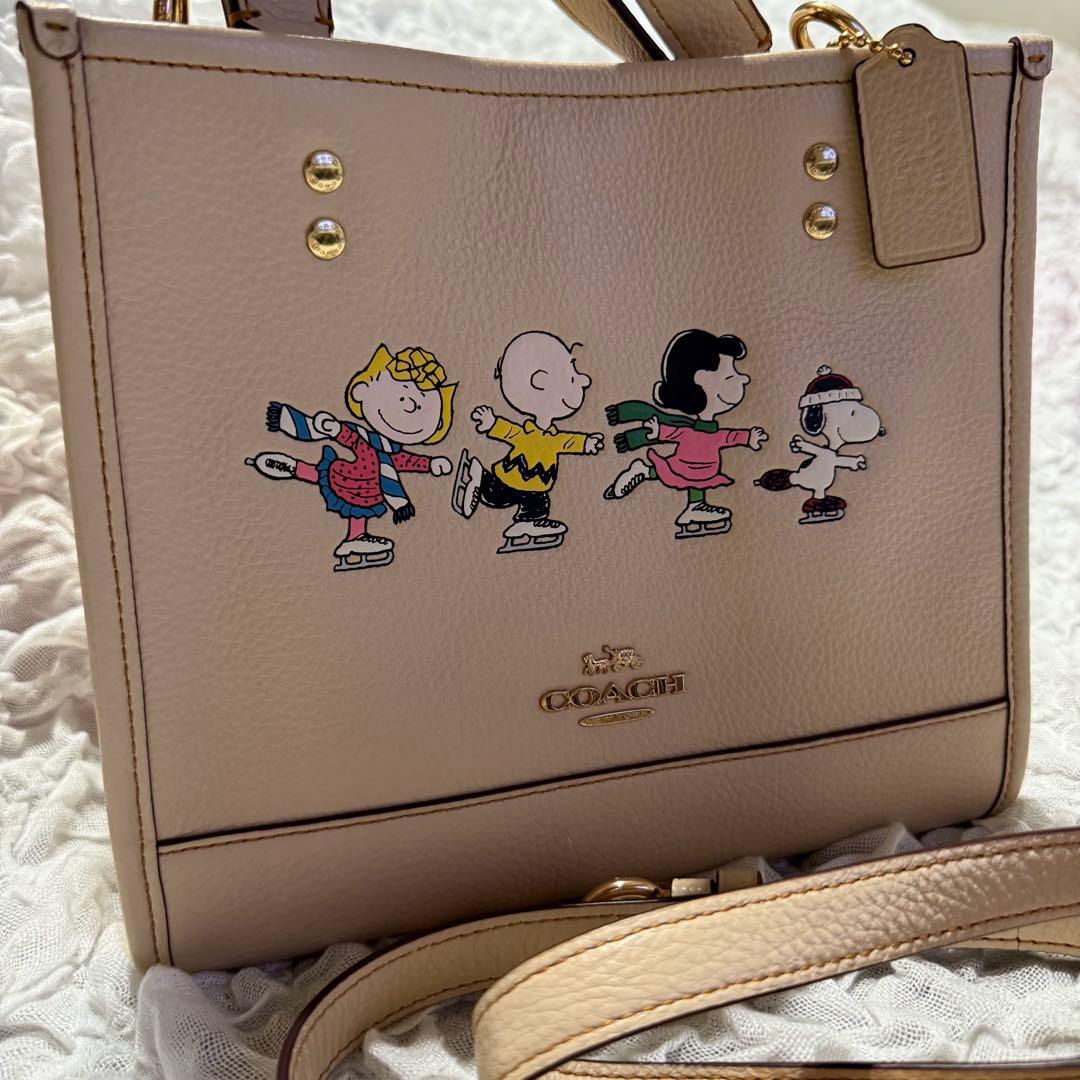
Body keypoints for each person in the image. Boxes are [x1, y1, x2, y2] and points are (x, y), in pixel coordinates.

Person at [246, 344, 456, 570]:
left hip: (367, 491)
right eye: (403, 392)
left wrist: (431, 464)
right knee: (325, 477)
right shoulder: (364, 438)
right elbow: (349, 437)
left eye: (422, 401)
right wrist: (334, 429)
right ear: (361, 391)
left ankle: (353, 538)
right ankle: (292, 468)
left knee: (340, 494)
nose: (411, 405)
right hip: (351, 476)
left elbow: (408, 461)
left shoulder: (392, 453)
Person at [604, 329, 767, 539]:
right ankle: (646, 473)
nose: (743, 379)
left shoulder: (711, 432)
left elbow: (727, 437)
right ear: (702, 380)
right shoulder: (691, 432)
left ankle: (691, 505)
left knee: (693, 480)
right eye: (730, 376)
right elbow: (676, 433)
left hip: (703, 469)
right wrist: (658, 432)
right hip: (684, 463)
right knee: (680, 476)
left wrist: (749, 438)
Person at [452, 331, 603, 553]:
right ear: (541, 382)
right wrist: (491, 423)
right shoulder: (531, 435)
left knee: (526, 502)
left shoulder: (552, 438)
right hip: (514, 477)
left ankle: (523, 522)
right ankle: (480, 479)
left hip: (534, 486)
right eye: (572, 377)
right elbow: (511, 432)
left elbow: (568, 441)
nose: (585, 380)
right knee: (499, 497)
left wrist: (587, 443)